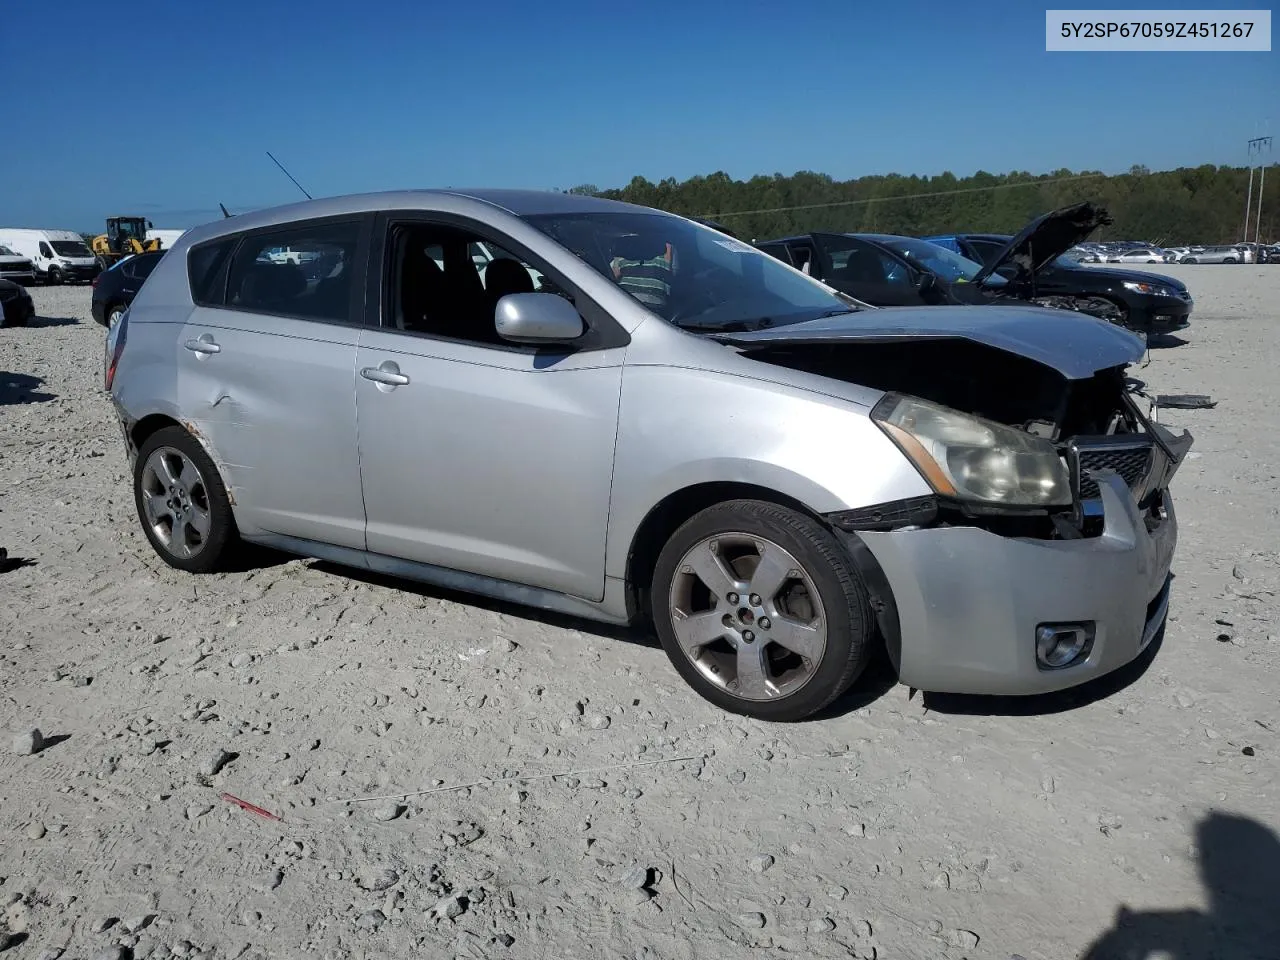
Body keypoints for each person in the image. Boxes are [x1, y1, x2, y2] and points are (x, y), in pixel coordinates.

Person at [609, 233, 673, 313]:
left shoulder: (621, 249)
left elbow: (614, 276)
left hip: (625, 302)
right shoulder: (664, 251)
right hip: (654, 308)